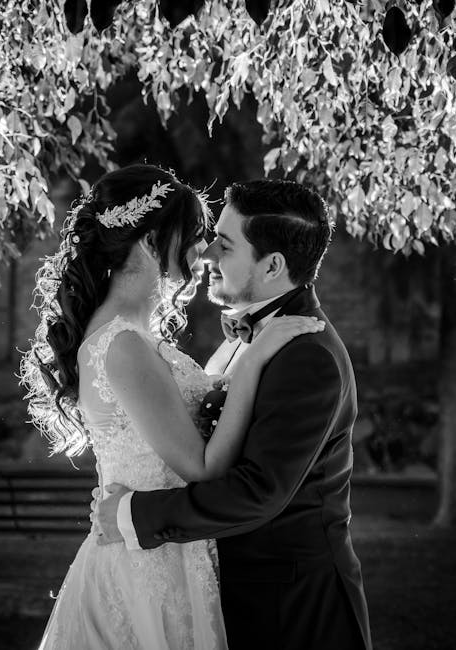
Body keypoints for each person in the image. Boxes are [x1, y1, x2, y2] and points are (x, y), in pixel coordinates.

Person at [20, 164, 324, 650]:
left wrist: (234, 356)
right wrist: (255, 360)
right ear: (149, 242)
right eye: (193, 235)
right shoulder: (122, 344)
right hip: (145, 571)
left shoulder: (134, 335)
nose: (203, 250)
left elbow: (187, 418)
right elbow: (202, 465)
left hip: (165, 549)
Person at [95, 178, 373, 650]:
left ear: (273, 266)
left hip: (294, 616)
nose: (204, 256)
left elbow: (258, 491)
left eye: (224, 245)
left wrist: (133, 514)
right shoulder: (245, 343)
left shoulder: (307, 354)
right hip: (239, 607)